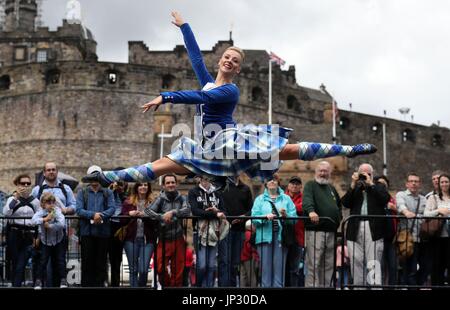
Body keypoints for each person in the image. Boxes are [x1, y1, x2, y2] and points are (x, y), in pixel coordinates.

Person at [81, 11, 377, 189]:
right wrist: (185, 27)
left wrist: (166, 96)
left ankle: (349, 149)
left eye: (235, 60)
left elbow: (198, 96)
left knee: (287, 150)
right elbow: (196, 57)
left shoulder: (230, 91)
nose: (229, 62)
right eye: (226, 57)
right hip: (206, 148)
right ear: (221, 60)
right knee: (160, 165)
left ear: (239, 68)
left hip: (229, 141)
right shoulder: (211, 82)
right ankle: (106, 177)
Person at [341, 164, 390, 287]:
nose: (365, 176)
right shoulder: (355, 188)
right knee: (355, 261)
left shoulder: (378, 186)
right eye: (362, 173)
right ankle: (358, 288)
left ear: (372, 174)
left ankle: (375, 288)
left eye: (368, 173)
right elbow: (345, 203)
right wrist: (353, 184)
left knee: (373, 262)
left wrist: (371, 184)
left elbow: (385, 199)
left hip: (373, 228)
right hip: (355, 227)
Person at [251, 175, 297, 287]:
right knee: (265, 270)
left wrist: (286, 215)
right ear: (265, 183)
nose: (272, 181)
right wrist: (264, 217)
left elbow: (294, 219)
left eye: (274, 180)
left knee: (279, 270)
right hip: (264, 236)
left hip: (281, 237)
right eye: (269, 179)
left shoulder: (286, 199)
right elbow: (254, 218)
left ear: (278, 182)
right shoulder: (259, 199)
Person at [145, 174, 190, 287]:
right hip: (163, 238)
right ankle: (168, 286)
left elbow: (187, 210)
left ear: (176, 184)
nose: (171, 185)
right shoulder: (160, 199)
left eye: (172, 182)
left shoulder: (182, 198)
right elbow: (148, 212)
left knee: (178, 270)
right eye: (168, 183)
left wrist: (173, 212)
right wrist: (161, 217)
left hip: (178, 238)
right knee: (160, 268)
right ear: (164, 185)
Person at [302, 161, 342, 288]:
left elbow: (338, 206)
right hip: (316, 230)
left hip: (331, 231)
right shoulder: (310, 185)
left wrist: (338, 217)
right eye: (321, 171)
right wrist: (311, 211)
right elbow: (307, 200)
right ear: (316, 172)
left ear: (330, 172)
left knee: (329, 264)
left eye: (326, 171)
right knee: (314, 263)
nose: (323, 173)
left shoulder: (331, 188)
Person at [76, 165, 116, 287]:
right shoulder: (82, 192)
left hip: (103, 233)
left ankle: (100, 285)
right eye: (92, 178)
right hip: (87, 232)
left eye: (97, 177)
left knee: (101, 263)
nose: (94, 181)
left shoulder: (107, 192)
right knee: (87, 263)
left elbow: (112, 208)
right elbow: (79, 209)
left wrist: (101, 216)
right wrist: (93, 215)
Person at [189, 175, 228, 287]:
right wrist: (215, 213)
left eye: (210, 179)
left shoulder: (217, 193)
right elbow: (195, 211)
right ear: (200, 179)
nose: (208, 182)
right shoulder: (193, 192)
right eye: (205, 179)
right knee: (202, 265)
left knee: (211, 265)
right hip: (200, 232)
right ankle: (198, 286)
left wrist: (218, 210)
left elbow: (224, 212)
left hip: (214, 232)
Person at [3, 174, 41, 287]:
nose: (25, 185)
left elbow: (39, 219)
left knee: (21, 263)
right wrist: (16, 198)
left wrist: (38, 237)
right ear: (17, 184)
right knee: (15, 263)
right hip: (14, 234)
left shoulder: (35, 201)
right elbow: (6, 213)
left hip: (29, 235)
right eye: (22, 183)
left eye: (28, 183)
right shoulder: (11, 199)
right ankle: (16, 284)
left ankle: (16, 285)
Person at [218, 176, 253, 287]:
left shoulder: (245, 189)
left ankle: (232, 287)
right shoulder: (221, 187)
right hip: (224, 229)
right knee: (224, 261)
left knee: (235, 263)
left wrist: (244, 216)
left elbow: (252, 209)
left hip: (239, 230)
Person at [120, 182, 157, 287]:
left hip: (147, 239)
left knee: (144, 269)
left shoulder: (153, 202)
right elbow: (121, 221)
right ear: (136, 187)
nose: (143, 187)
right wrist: (129, 215)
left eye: (146, 185)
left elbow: (156, 222)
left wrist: (146, 216)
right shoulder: (128, 202)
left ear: (148, 187)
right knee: (133, 269)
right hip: (131, 239)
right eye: (141, 185)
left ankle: (141, 287)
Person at [395, 173, 427, 286]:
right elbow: (400, 205)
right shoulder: (401, 195)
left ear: (419, 184)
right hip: (407, 239)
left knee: (425, 268)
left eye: (416, 181)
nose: (414, 183)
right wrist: (406, 212)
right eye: (411, 181)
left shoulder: (423, 199)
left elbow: (427, 215)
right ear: (407, 184)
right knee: (409, 269)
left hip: (421, 238)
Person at [31, 192, 67, 289]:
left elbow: (62, 224)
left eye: (52, 202)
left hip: (58, 240)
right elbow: (33, 221)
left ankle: (63, 280)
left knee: (60, 260)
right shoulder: (41, 212)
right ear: (43, 204)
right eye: (48, 202)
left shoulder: (57, 211)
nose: (51, 204)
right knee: (43, 261)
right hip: (45, 241)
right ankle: (38, 281)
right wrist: (44, 219)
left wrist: (50, 226)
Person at [423, 173, 450, 286]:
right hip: (438, 237)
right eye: (442, 182)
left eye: (446, 182)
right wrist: (439, 211)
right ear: (438, 184)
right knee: (437, 267)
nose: (444, 184)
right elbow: (426, 213)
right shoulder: (433, 197)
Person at [373, 175, 398, 286]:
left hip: (392, 239)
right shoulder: (374, 198)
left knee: (393, 266)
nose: (382, 185)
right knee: (380, 267)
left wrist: (395, 208)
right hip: (379, 238)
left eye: (384, 183)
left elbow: (401, 212)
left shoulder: (392, 199)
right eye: (379, 183)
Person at [284, 176, 305, 287]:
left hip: (298, 237)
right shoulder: (282, 196)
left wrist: (288, 209)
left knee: (294, 269)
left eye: (297, 183)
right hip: (284, 237)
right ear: (288, 185)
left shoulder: (304, 197)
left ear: (301, 186)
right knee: (283, 267)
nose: (295, 185)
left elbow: (304, 208)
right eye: (292, 183)